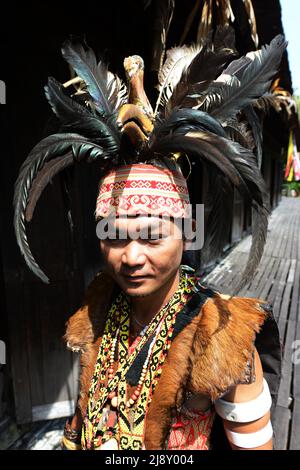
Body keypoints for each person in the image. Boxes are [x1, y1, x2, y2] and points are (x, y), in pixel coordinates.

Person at [13, 29, 285, 450]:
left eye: (153, 236)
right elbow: (85, 414)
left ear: (186, 231)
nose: (132, 257)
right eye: (115, 236)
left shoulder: (223, 340)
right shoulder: (99, 309)